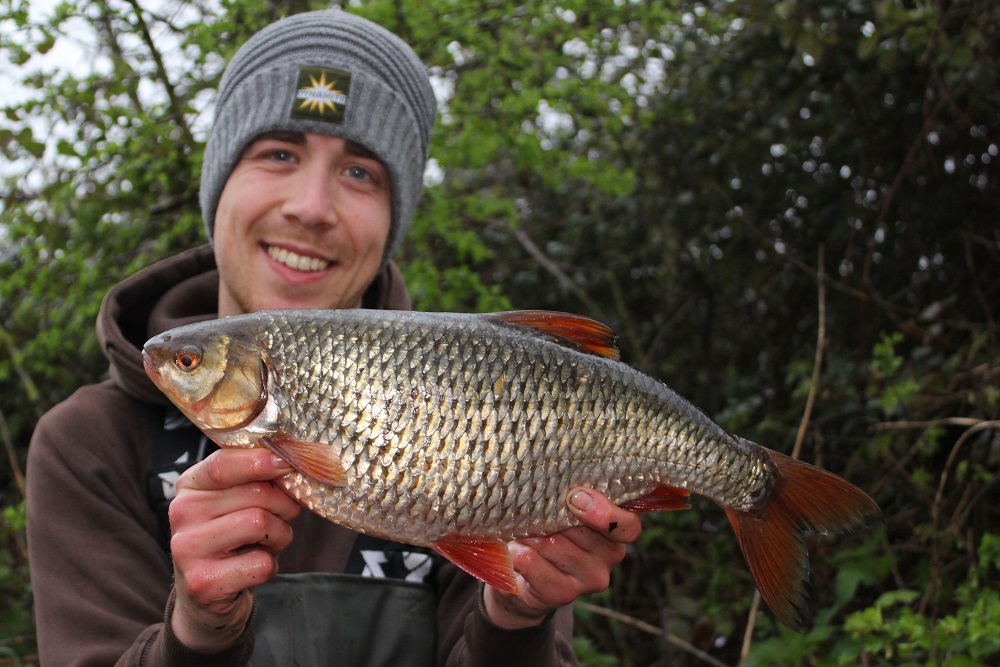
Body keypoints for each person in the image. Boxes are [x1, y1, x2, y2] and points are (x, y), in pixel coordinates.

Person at [26, 9, 642, 666]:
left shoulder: (480, 395)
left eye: (359, 173)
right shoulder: (88, 443)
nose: (312, 206)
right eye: (280, 153)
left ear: (392, 219)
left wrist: (517, 616)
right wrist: (196, 633)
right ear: (220, 183)